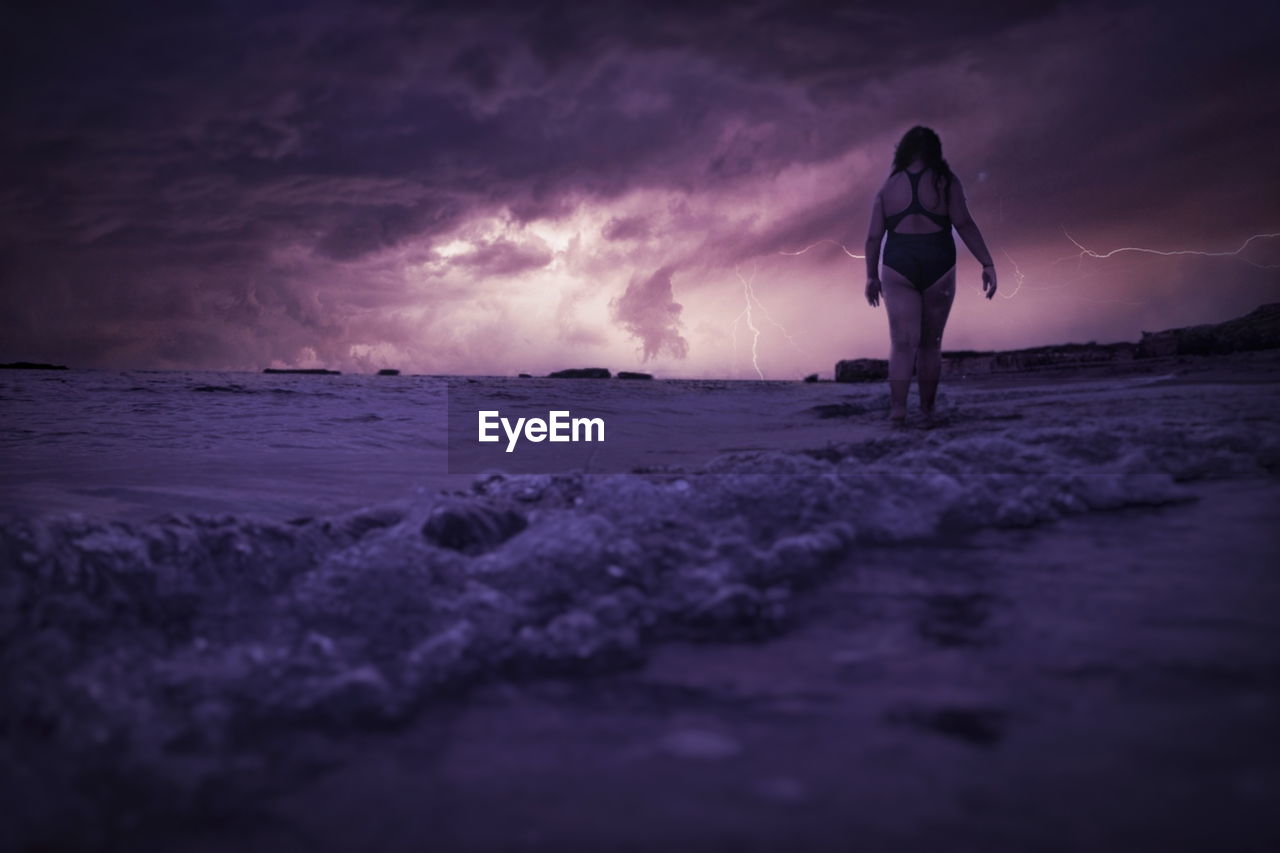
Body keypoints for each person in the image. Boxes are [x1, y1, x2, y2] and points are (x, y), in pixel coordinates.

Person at [863, 126, 996, 425]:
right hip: (939, 264)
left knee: (901, 344)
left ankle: (898, 411)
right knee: (930, 345)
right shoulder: (945, 183)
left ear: (903, 151)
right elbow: (964, 223)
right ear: (935, 150)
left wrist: (871, 277)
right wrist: (987, 264)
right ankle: (927, 411)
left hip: (898, 267)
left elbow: (873, 239)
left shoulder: (887, 189)